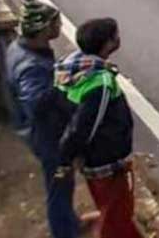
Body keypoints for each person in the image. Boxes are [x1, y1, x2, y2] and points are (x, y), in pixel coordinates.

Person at [5, 0, 85, 238]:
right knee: (59, 187)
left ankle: (70, 224)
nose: (60, 28)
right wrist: (66, 86)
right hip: (48, 138)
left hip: (40, 132)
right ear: (42, 30)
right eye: (55, 24)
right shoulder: (31, 67)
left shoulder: (20, 48)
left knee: (62, 185)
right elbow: (37, 104)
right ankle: (64, 232)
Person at [55, 18, 140, 238]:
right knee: (116, 216)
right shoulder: (99, 82)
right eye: (115, 36)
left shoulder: (72, 68)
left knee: (114, 211)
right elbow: (84, 127)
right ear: (106, 44)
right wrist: (66, 158)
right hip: (106, 160)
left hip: (91, 160)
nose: (119, 39)